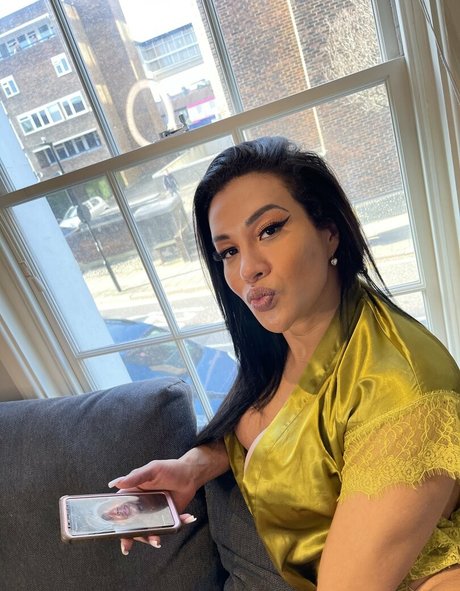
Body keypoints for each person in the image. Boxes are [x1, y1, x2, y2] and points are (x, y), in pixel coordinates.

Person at [109, 137, 460, 590]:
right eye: (229, 251)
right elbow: (274, 430)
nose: (248, 269)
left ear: (329, 230)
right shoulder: (283, 336)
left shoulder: (403, 392)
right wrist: (192, 468)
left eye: (269, 230)